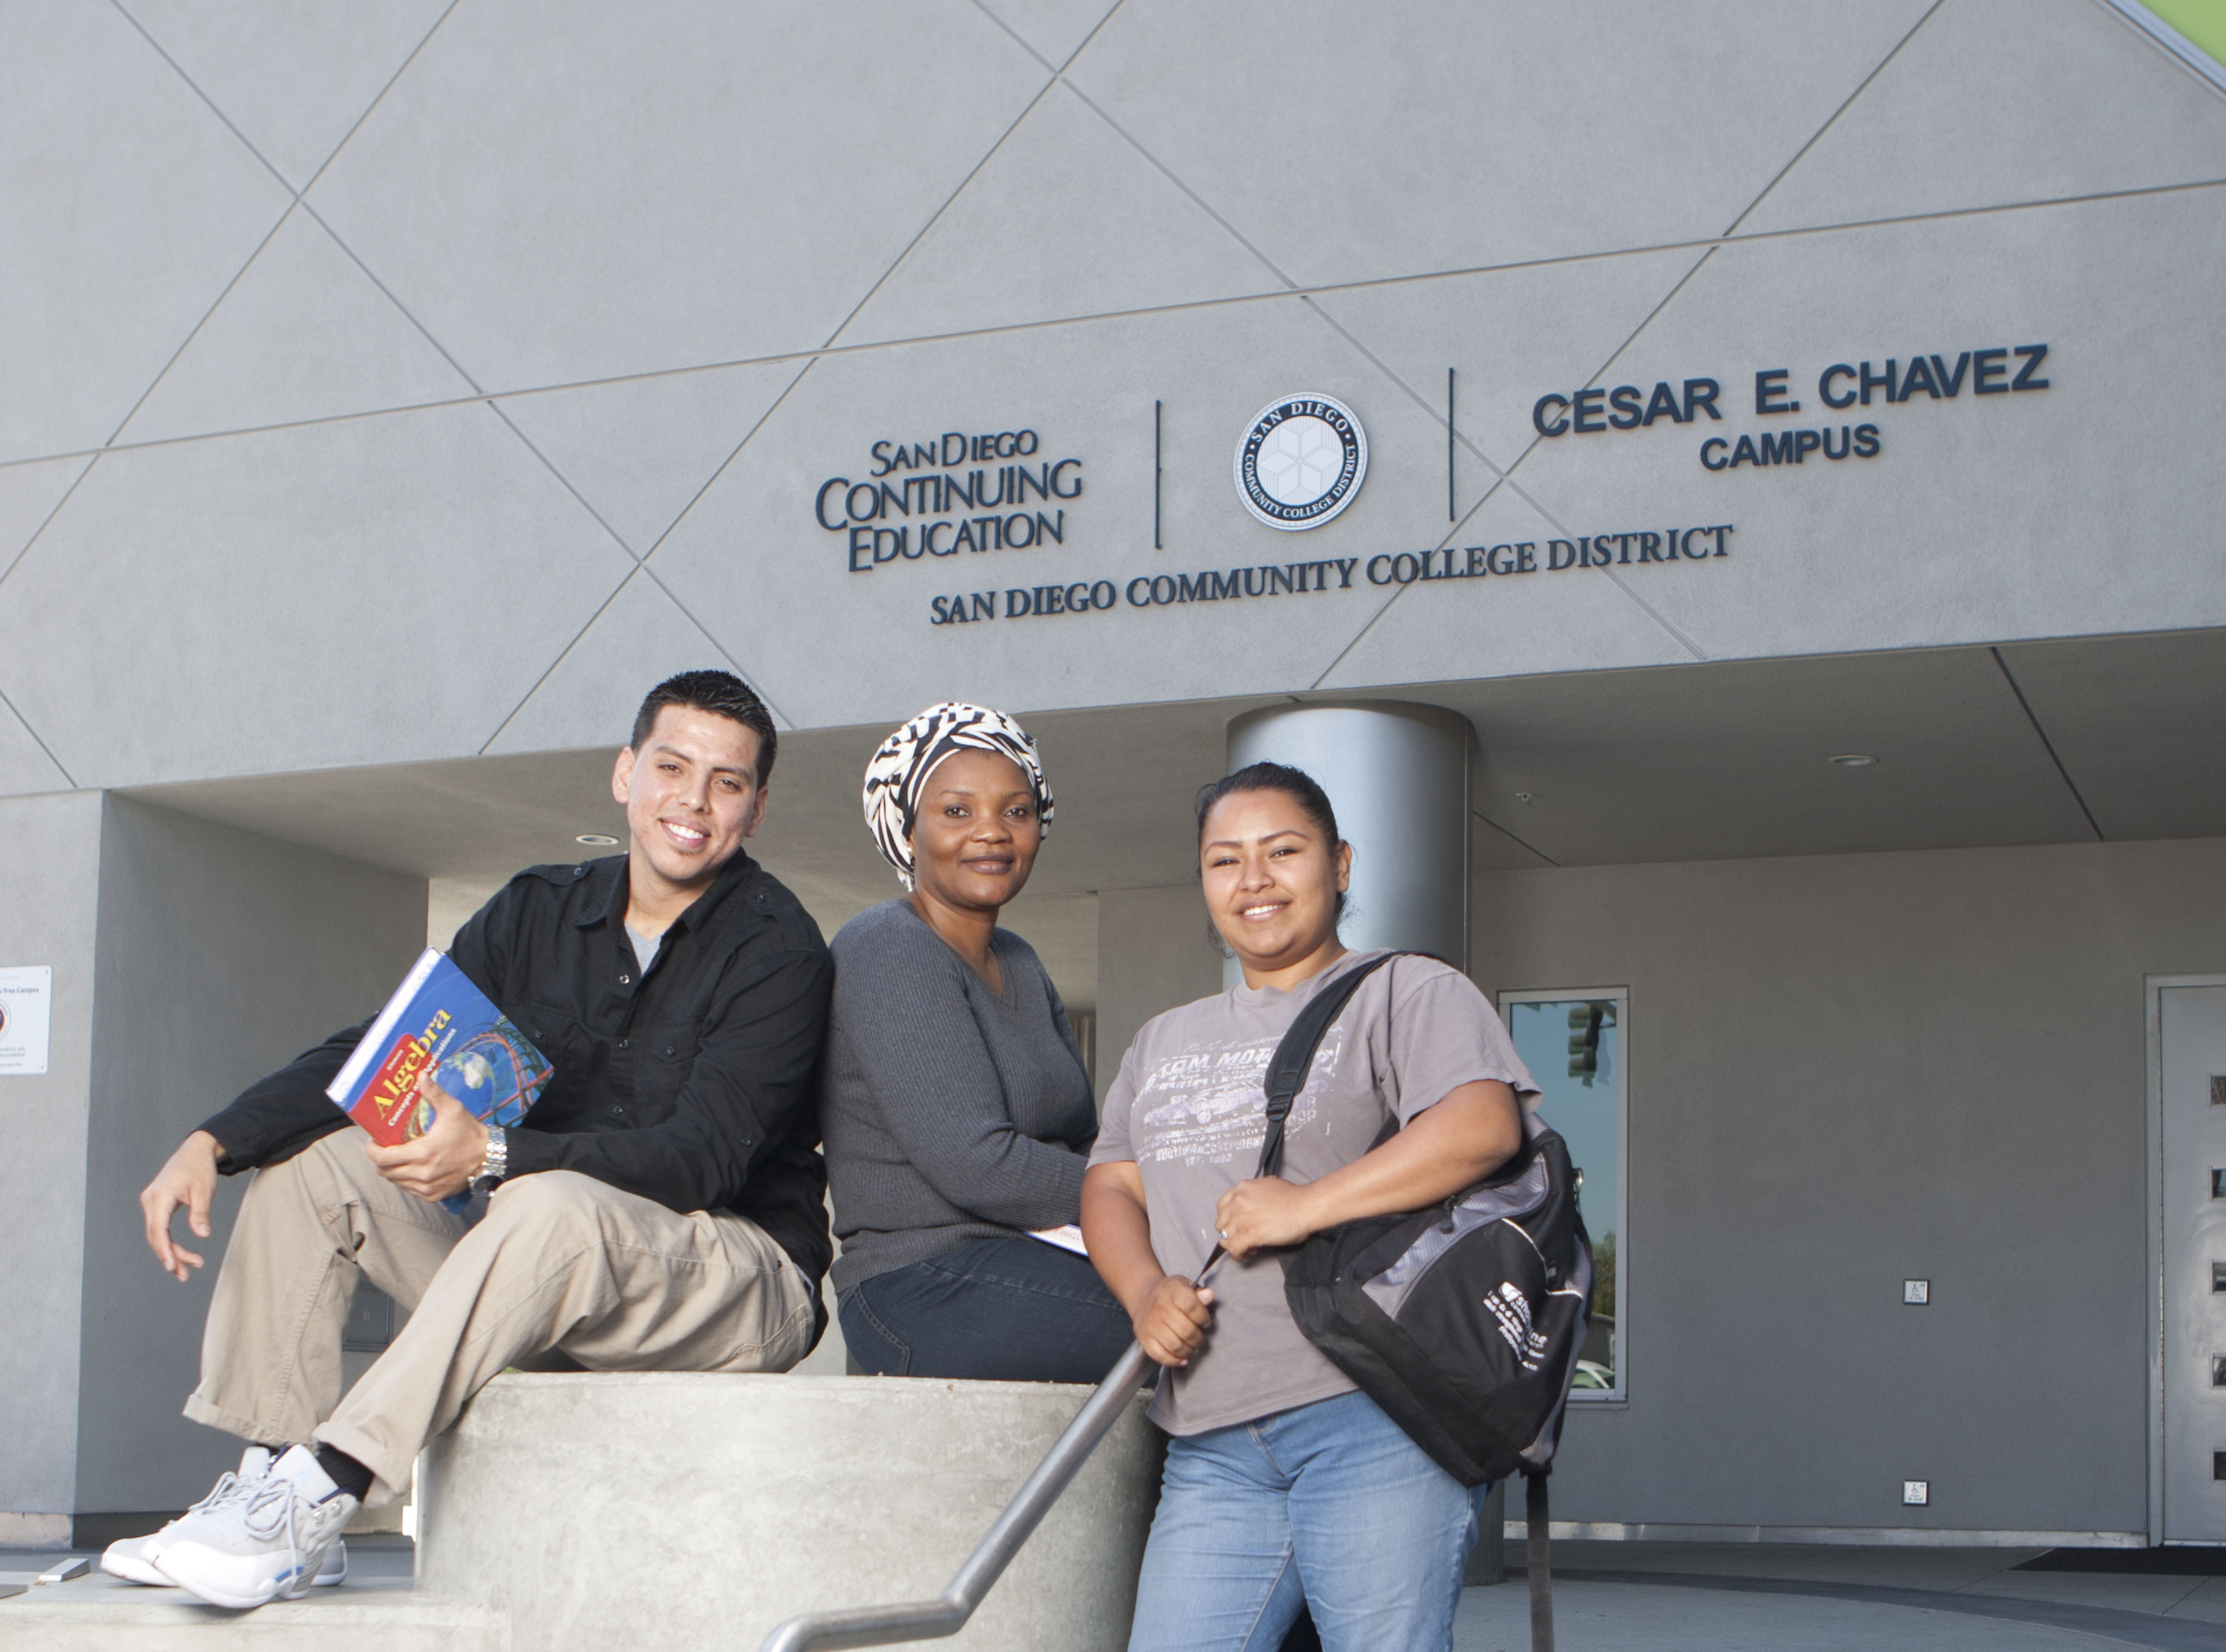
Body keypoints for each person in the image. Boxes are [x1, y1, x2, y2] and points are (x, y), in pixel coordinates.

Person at [113, 670, 833, 1610]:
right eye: (671, 767)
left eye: (727, 782)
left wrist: (495, 1159)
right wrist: (214, 1141)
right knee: (314, 1166)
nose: (693, 802)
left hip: (729, 1282)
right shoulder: (538, 912)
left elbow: (697, 1160)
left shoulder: (779, 950)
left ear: (756, 807)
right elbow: (384, 1054)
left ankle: (328, 1486)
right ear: (625, 775)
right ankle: (271, 1478)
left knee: (544, 1199)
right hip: (546, 1274)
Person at [1082, 761, 1539, 1652]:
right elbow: (1111, 1182)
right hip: (1210, 1436)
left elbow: (1484, 1125)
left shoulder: (1404, 991)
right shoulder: (1162, 1038)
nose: (1253, 880)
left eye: (1282, 851)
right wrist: (1143, 1294)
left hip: (1373, 1414)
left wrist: (1307, 1207)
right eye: (1225, 860)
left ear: (1340, 864)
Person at [821, 703, 1134, 1381]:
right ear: (907, 831)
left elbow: (1083, 1137)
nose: (992, 832)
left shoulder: (1018, 958)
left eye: (1016, 811)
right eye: (956, 812)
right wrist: (1152, 1186)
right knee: (1209, 1326)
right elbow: (977, 1165)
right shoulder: (886, 947)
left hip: (1044, 1253)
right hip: (922, 1283)